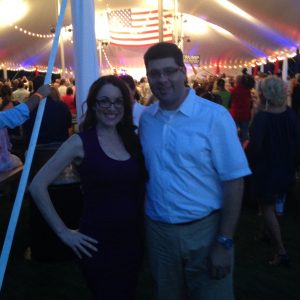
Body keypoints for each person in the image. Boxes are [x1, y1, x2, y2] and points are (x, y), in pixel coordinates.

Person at [139, 42, 251, 300]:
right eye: (154, 73)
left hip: (205, 230)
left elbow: (234, 182)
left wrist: (224, 241)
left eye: (169, 71)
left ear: (183, 72)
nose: (162, 80)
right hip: (159, 232)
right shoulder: (147, 118)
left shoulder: (214, 117)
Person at [29, 75, 147, 300]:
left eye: (118, 101)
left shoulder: (132, 139)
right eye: (104, 101)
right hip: (97, 243)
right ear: (93, 104)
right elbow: (37, 186)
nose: (111, 108)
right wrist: (64, 232)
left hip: (133, 241)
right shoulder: (80, 142)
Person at [246, 76, 300, 266]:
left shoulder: (263, 119)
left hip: (266, 170)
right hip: (285, 168)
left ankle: (281, 251)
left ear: (264, 93)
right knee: (270, 206)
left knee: (267, 208)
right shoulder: (291, 115)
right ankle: (264, 234)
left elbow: (255, 148)